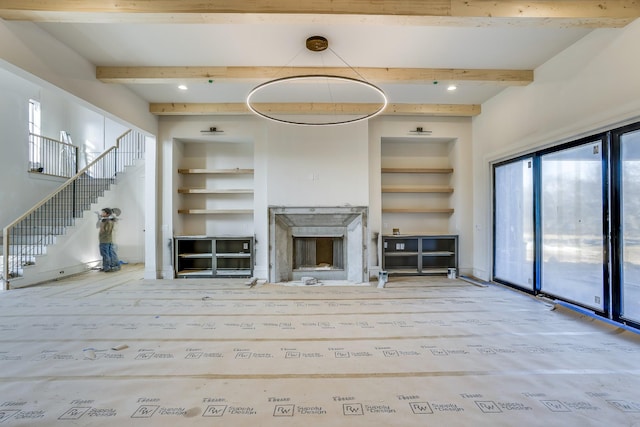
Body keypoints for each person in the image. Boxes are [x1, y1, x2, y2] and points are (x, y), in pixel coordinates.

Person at [98, 207, 120, 272]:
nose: (101, 213)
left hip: (105, 240)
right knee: (107, 254)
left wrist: (102, 225)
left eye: (103, 212)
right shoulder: (106, 220)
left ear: (107, 214)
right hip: (106, 240)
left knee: (106, 254)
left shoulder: (108, 221)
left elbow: (106, 231)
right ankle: (107, 267)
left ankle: (108, 267)